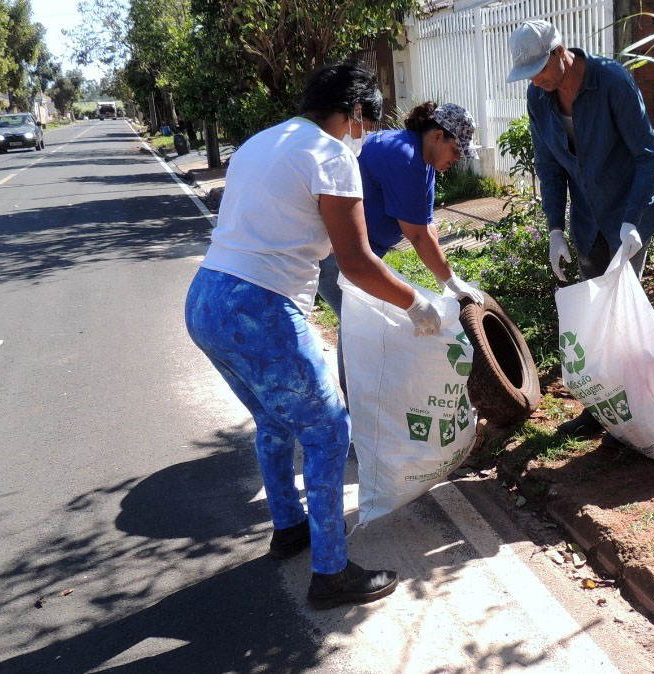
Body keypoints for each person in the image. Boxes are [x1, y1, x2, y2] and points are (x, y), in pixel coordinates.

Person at [184, 62, 440, 610]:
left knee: (275, 420)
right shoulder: (330, 157)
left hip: (205, 300)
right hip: (260, 308)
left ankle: (289, 527)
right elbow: (357, 261)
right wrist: (416, 302)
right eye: (365, 120)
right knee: (328, 431)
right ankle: (332, 572)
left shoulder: (260, 142)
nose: (366, 132)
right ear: (350, 113)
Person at [506, 19, 654, 437]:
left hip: (629, 216)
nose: (537, 82)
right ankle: (602, 411)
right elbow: (548, 167)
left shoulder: (612, 82)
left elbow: (649, 158)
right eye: (529, 76)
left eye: (540, 70)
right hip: (587, 223)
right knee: (593, 323)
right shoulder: (538, 98)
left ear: (561, 53)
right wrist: (555, 229)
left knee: (622, 317)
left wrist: (634, 222)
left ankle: (639, 413)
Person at [317, 101, 484, 398]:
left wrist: (449, 280)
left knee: (364, 327)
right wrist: (451, 282)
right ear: (437, 136)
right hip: (337, 255)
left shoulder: (424, 161)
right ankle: (358, 409)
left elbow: (427, 225)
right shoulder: (404, 157)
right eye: (456, 150)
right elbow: (418, 237)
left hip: (364, 253)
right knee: (358, 329)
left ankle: (369, 403)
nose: (457, 160)